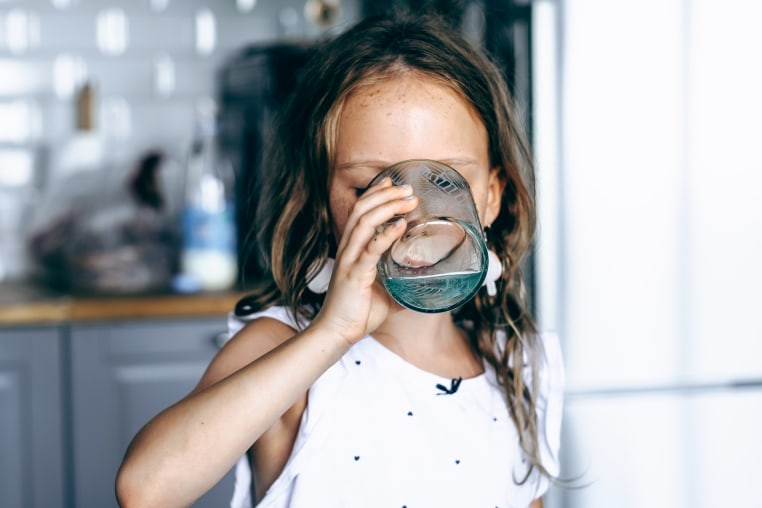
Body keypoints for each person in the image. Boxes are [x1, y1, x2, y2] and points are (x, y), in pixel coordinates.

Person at [116, 10, 564, 508]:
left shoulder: (516, 365)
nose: (410, 217)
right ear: (321, 199)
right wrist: (333, 332)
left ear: (490, 197)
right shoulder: (286, 349)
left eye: (444, 181)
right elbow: (146, 490)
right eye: (372, 187)